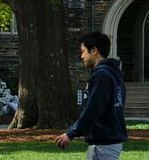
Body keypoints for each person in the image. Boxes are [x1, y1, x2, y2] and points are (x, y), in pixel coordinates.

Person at [54, 31, 127, 159]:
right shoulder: (114, 74)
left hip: (103, 143)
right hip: (107, 140)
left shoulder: (102, 75)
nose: (81, 56)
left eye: (83, 51)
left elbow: (92, 109)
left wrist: (71, 133)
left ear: (94, 51)